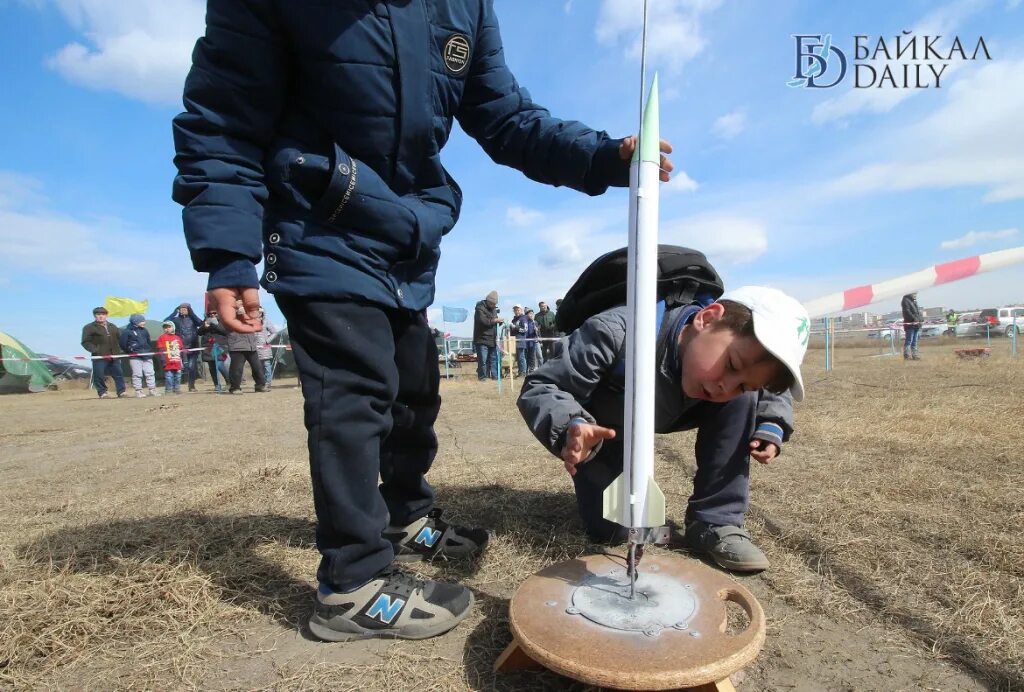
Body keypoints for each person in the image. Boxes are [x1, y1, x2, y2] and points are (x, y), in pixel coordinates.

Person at [172, 0, 673, 643]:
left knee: (414, 387)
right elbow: (222, 118)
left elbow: (507, 117)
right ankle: (351, 585)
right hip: (312, 220)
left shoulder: (464, 7)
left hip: (406, 232)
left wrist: (603, 158)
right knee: (354, 396)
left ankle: (405, 515)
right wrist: (228, 252)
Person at [518, 287, 808, 572]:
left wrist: (772, 423)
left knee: (744, 399)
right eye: (731, 364)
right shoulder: (616, 331)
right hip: (608, 427)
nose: (727, 387)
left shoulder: (728, 382)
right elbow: (543, 385)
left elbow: (767, 387)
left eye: (743, 382)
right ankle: (622, 517)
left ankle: (716, 521)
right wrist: (572, 425)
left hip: (676, 408)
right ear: (707, 319)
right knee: (612, 531)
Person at [81, 306, 126, 399]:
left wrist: (121, 349)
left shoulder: (113, 326)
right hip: (99, 356)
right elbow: (85, 342)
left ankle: (121, 392)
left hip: (114, 355)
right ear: (95, 316)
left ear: (106, 315)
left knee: (119, 374)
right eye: (98, 314)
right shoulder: (89, 327)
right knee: (99, 375)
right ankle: (102, 392)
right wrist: (95, 350)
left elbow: (120, 339)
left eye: (103, 314)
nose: (101, 316)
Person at [226, 300, 267, 394]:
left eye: (242, 302)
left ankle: (260, 386)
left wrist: (259, 313)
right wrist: (237, 313)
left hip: (251, 345)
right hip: (237, 345)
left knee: (258, 367)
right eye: (239, 302)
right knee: (236, 369)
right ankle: (235, 388)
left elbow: (258, 322)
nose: (241, 304)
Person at [165, 303, 204, 391]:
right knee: (178, 367)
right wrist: (174, 313)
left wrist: (192, 313)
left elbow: (200, 323)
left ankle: (191, 386)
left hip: (193, 346)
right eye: (181, 308)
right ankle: (175, 387)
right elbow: (166, 322)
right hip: (179, 347)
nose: (183, 310)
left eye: (185, 308)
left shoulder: (192, 319)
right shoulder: (175, 320)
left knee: (191, 367)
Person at [119, 313, 158, 397]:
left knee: (150, 373)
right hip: (135, 356)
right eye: (142, 321)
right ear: (135, 322)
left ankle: (152, 390)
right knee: (137, 374)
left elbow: (148, 341)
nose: (144, 322)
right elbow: (122, 344)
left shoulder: (145, 330)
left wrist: (148, 349)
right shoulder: (127, 332)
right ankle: (138, 391)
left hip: (147, 355)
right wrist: (130, 350)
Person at [473, 292, 504, 381]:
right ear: (488, 301)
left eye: (495, 304)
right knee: (483, 360)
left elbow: (494, 321)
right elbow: (483, 321)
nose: (494, 306)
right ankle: (483, 377)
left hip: (493, 338)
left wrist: (500, 322)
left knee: (494, 359)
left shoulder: (493, 309)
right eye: (492, 304)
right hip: (481, 339)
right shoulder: (480, 308)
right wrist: (495, 320)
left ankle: (495, 376)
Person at [199, 309, 230, 393]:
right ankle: (217, 385)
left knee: (219, 364)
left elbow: (225, 332)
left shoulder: (223, 321)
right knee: (212, 367)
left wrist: (214, 325)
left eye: (214, 313)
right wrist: (204, 327)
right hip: (208, 346)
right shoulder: (205, 322)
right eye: (210, 313)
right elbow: (199, 332)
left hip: (219, 346)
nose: (212, 314)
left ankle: (229, 381)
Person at [156, 321, 185, 394]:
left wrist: (184, 360)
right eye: (165, 327)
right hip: (168, 362)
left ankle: (177, 389)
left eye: (169, 327)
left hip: (177, 361)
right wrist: (163, 360)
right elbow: (161, 349)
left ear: (173, 327)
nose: (167, 329)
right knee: (169, 376)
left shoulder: (177, 338)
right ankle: (169, 390)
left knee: (178, 376)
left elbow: (181, 349)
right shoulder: (161, 337)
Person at [255, 308, 278, 389]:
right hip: (254, 347)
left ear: (262, 313)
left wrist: (267, 341)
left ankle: (268, 382)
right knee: (257, 367)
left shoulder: (266, 321)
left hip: (264, 347)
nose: (258, 314)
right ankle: (261, 382)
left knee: (266, 365)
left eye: (260, 312)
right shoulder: (251, 322)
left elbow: (274, 332)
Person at [901, 292, 923, 360]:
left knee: (915, 341)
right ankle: (906, 355)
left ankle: (915, 355)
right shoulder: (905, 300)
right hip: (910, 324)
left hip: (916, 324)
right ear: (910, 293)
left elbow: (917, 311)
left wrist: (920, 318)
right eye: (914, 294)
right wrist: (914, 319)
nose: (915, 295)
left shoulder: (914, 301)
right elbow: (907, 312)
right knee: (909, 340)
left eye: (916, 294)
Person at [509, 305, 528, 376]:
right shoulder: (513, 320)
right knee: (516, 358)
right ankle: (519, 372)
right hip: (513, 341)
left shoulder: (523, 318)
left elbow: (525, 329)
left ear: (521, 310)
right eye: (515, 310)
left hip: (520, 340)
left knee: (521, 357)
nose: (516, 312)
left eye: (518, 310)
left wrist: (515, 327)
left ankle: (523, 373)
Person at [523, 308, 541, 373]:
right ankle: (526, 370)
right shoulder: (525, 322)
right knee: (526, 356)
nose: (531, 315)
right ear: (527, 315)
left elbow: (538, 333)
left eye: (532, 314)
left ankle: (532, 370)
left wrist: (536, 331)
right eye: (530, 314)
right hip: (526, 342)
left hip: (533, 342)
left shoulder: (535, 322)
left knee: (533, 357)